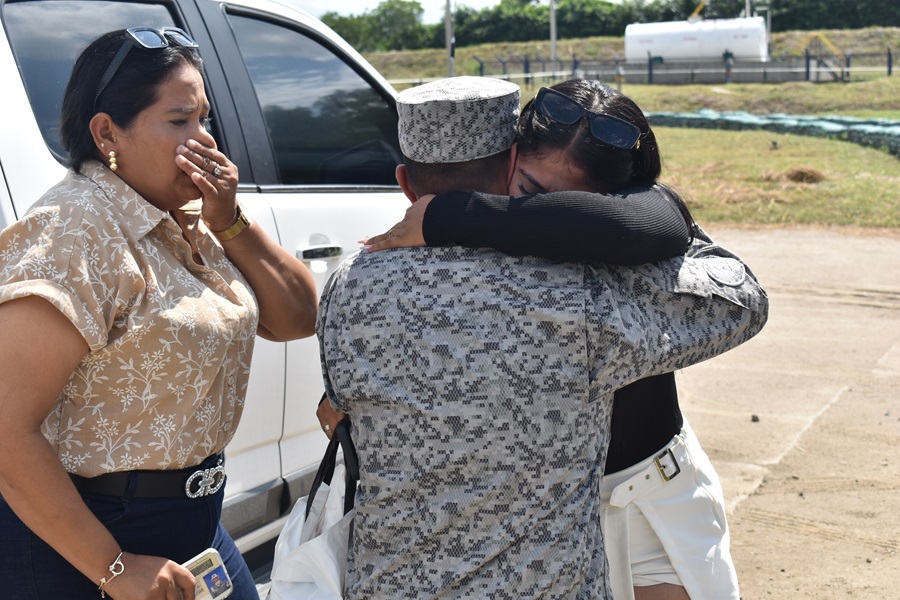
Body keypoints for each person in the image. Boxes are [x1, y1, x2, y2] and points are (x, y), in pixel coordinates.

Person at [316, 76, 768, 599]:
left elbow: (684, 247)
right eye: (531, 197)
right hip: (553, 528)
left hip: (646, 495)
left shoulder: (606, 264)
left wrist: (461, 213)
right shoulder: (567, 288)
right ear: (510, 160)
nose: (554, 227)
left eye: (575, 211)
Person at [0, 27, 318, 600]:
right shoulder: (75, 230)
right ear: (106, 133)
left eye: (205, 119)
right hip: (89, 544)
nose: (205, 142)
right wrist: (113, 567)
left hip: (193, 526)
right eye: (179, 122)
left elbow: (297, 317)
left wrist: (230, 219)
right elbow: (5, 426)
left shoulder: (185, 211)